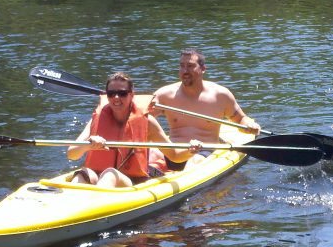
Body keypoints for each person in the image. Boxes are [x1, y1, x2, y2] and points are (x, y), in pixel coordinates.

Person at [66, 72, 201, 188]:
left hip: (132, 182)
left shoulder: (147, 122)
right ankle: (69, 207)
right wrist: (87, 145)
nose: (116, 98)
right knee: (82, 174)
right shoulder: (96, 120)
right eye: (111, 93)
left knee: (110, 173)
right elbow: (72, 154)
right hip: (98, 176)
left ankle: (94, 209)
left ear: (131, 95)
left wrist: (190, 151)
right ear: (107, 96)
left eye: (122, 93)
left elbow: (174, 155)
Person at [149, 48, 260, 171]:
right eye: (182, 66)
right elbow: (140, 118)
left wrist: (249, 125)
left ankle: (175, 175)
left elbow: (240, 119)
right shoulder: (164, 94)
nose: (185, 71)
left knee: (194, 161)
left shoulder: (220, 95)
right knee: (151, 153)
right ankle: (151, 172)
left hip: (203, 150)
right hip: (173, 150)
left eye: (190, 66)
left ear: (203, 69)